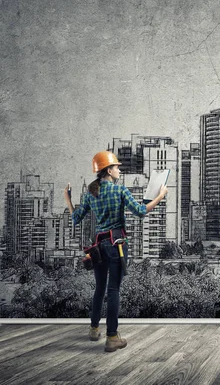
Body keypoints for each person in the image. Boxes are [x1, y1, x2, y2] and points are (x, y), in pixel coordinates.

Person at [64, 151, 168, 352]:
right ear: (109, 170)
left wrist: (67, 198)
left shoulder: (91, 193)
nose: (119, 170)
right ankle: (112, 336)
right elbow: (140, 211)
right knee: (113, 290)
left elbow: (75, 218)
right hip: (117, 244)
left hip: (98, 247)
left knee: (99, 288)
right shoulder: (120, 191)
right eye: (117, 167)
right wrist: (160, 196)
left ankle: (94, 329)